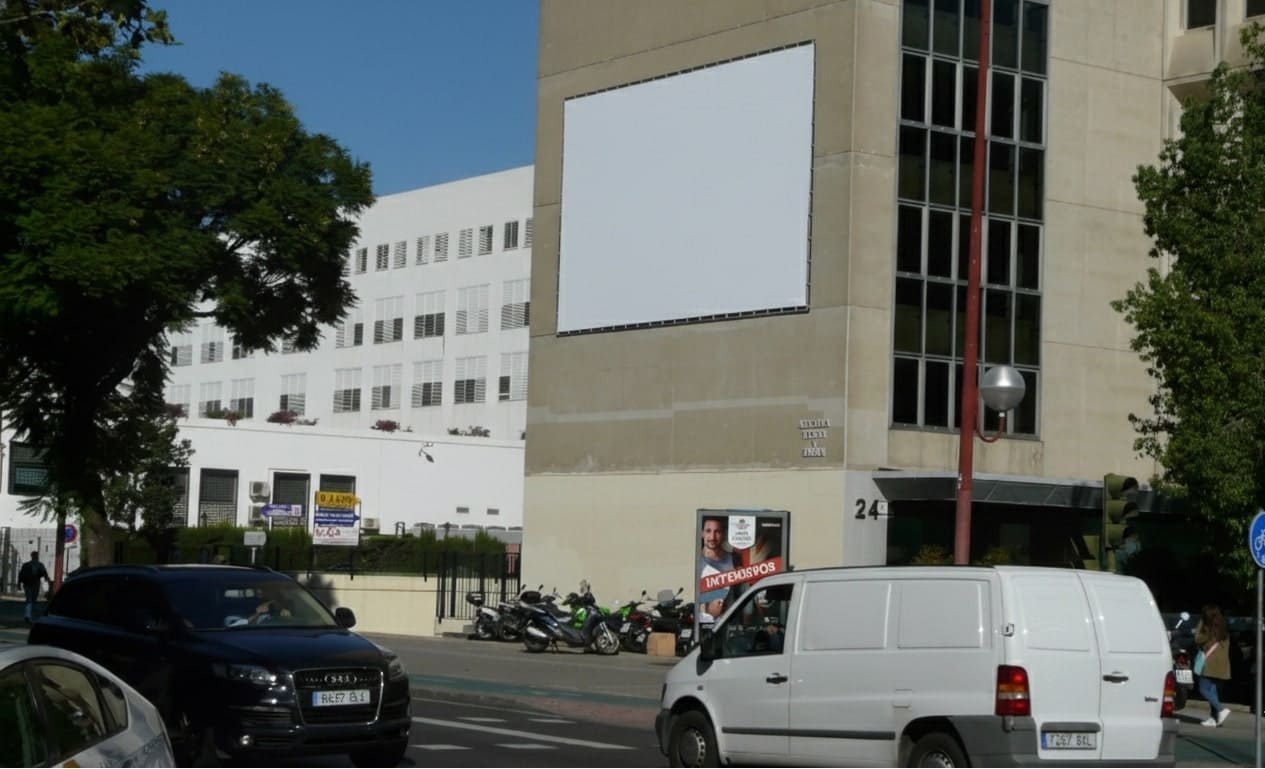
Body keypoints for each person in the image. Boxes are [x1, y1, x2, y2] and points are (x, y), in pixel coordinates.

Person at [1194, 604, 1232, 727]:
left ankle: (1221, 710)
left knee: (1203, 689)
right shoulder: (1223, 628)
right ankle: (1214, 718)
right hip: (1221, 665)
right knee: (1212, 690)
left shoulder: (1208, 629)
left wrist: (1200, 623)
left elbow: (1197, 639)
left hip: (1210, 664)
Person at [699, 516, 735, 619]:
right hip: (704, 623)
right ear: (702, 533)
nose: (712, 537)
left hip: (729, 621)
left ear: (723, 534)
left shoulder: (733, 559)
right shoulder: (697, 561)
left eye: (717, 532)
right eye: (708, 531)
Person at [18, 551, 50, 624]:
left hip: (27, 584)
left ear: (31, 556)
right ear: (37, 556)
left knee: (29, 599)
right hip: (35, 584)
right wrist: (47, 580)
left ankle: (27, 615)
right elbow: (44, 573)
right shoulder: (40, 565)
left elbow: (21, 574)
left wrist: (19, 583)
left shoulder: (26, 565)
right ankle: (29, 616)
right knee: (33, 600)